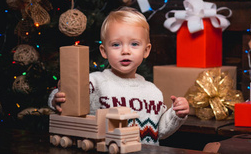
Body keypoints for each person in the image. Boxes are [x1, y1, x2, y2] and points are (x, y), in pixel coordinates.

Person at [49, 7, 189, 145]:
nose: (125, 51)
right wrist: (57, 99)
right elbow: (69, 95)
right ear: (104, 51)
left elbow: (161, 131)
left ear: (146, 51)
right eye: (116, 44)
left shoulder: (153, 92)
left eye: (134, 44)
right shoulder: (94, 82)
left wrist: (176, 114)